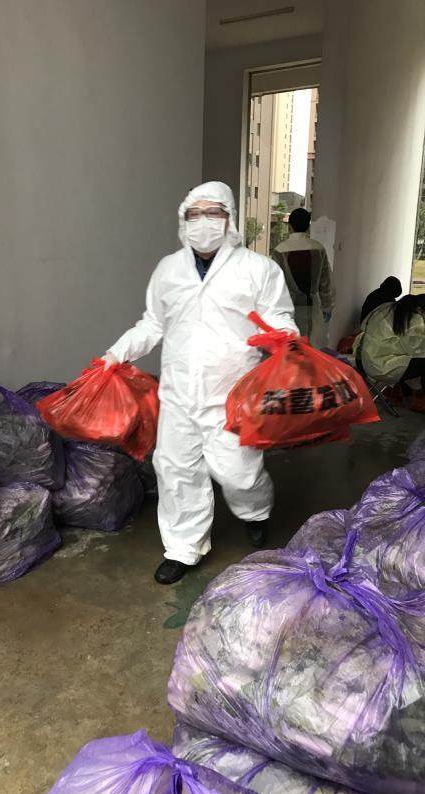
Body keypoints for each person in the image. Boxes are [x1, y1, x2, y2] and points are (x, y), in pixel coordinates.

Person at [102, 181, 298, 585]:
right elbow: (152, 324)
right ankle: (183, 548)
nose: (203, 221)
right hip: (178, 394)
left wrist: (285, 338)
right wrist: (115, 354)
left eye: (213, 213)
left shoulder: (258, 269)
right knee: (176, 472)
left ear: (229, 219)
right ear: (183, 220)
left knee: (239, 473)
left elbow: (279, 316)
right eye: (194, 214)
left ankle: (256, 512)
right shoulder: (168, 269)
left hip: (233, 395)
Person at [272, 208, 335, 341]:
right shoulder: (318, 248)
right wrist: (327, 305)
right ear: (308, 226)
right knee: (310, 344)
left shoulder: (279, 250)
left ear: (289, 226)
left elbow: (274, 285)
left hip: (288, 307)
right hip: (313, 306)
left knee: (292, 345)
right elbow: (325, 281)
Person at [354, 294, 425, 393]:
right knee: (419, 361)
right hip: (380, 367)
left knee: (408, 356)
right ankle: (413, 395)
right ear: (420, 310)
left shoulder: (390, 308)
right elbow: (419, 350)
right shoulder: (413, 320)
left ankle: (407, 394)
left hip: (362, 359)